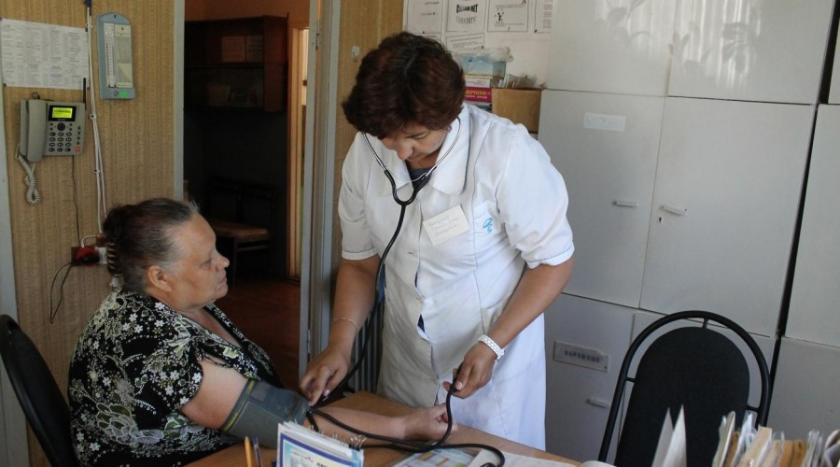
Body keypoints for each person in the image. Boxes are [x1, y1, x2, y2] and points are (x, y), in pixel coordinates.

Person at [300, 32, 574, 449]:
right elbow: (360, 262)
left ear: (451, 113)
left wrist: (492, 344)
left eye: (417, 136)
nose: (401, 151)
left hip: (491, 374)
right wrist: (340, 343)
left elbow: (554, 262)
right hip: (406, 366)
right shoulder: (365, 151)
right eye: (388, 137)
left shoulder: (504, 152)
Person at [68, 198, 449, 466]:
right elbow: (283, 422)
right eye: (207, 261)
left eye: (217, 250)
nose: (224, 261)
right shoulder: (153, 345)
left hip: (232, 444)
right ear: (160, 277)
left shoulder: (180, 302)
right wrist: (404, 426)